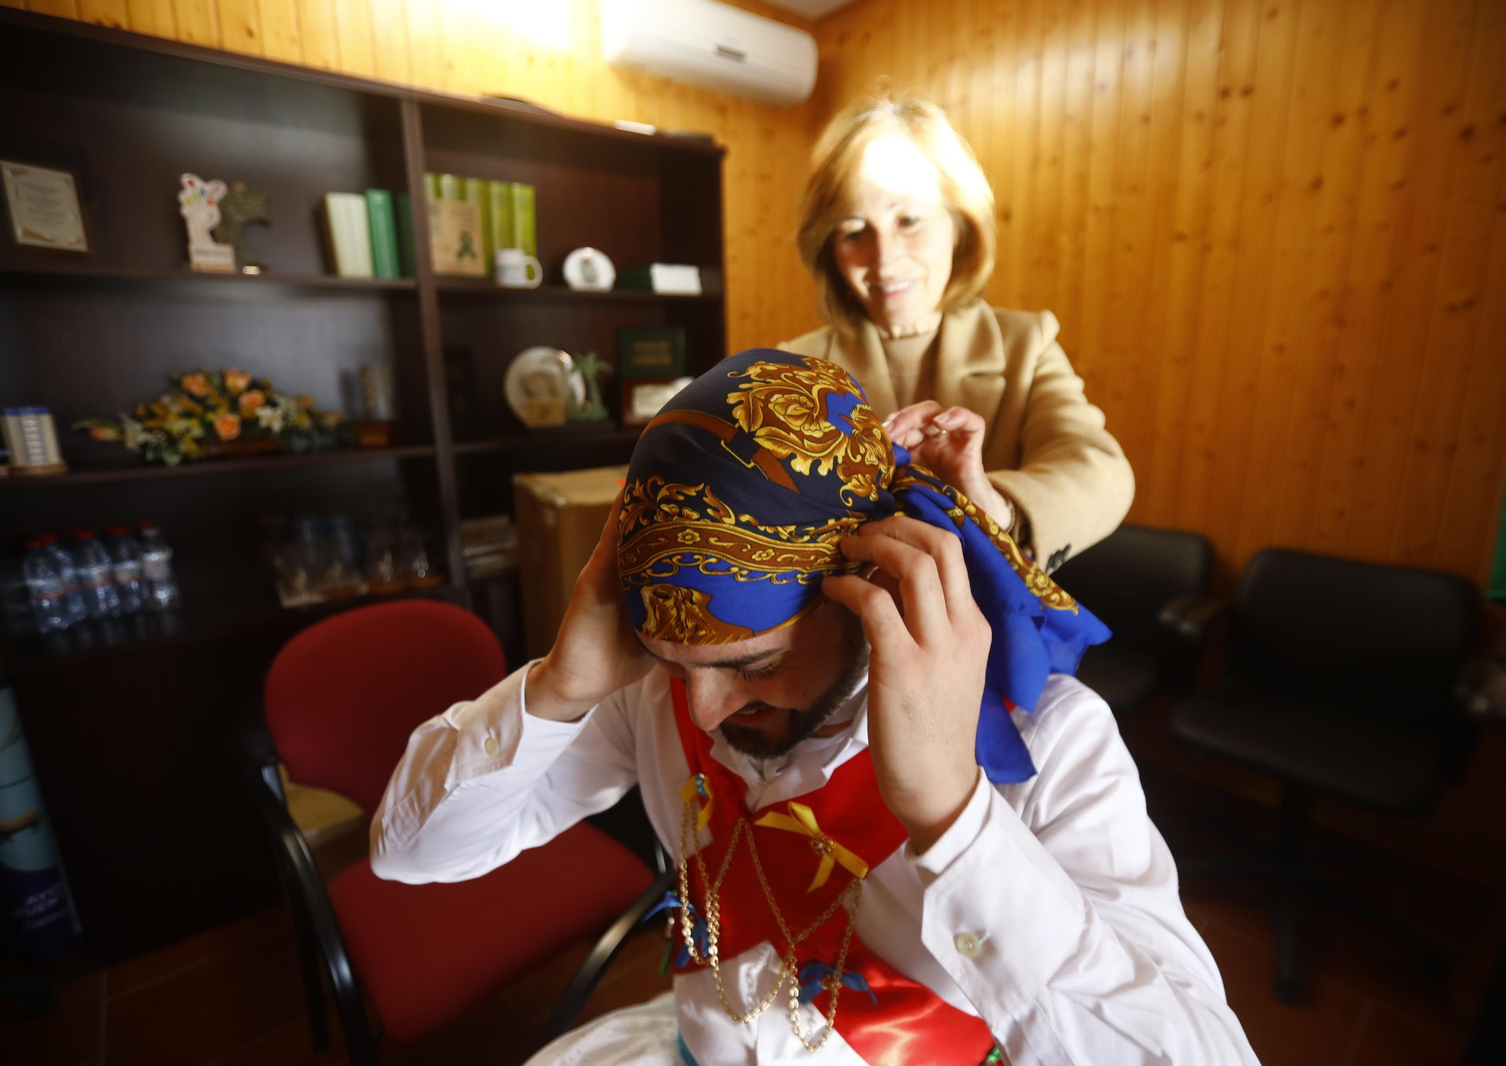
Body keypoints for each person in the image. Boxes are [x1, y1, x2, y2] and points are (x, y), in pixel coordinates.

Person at [371, 351, 1257, 1065]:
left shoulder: (1043, 741)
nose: (703, 712)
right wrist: (559, 687)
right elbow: (411, 854)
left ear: (872, 590)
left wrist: (954, 818)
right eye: (676, 666)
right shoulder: (657, 692)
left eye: (756, 664)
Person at [781, 96, 1135, 573]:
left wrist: (995, 507)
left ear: (960, 227)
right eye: (853, 232)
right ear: (830, 250)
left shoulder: (1025, 345)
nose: (884, 259)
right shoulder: (794, 368)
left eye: (908, 220)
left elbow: (1098, 470)